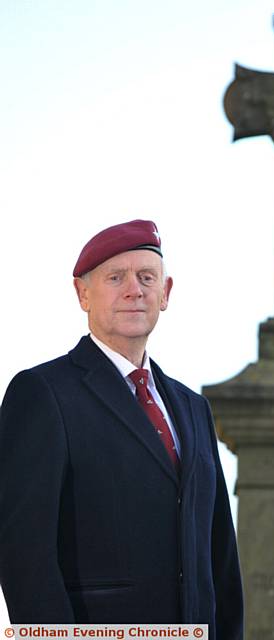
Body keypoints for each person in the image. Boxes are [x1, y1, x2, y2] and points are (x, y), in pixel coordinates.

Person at [0, 220, 243, 639]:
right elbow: (23, 554)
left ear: (165, 294)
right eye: (116, 277)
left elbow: (219, 555)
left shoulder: (193, 408)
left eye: (147, 278)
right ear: (83, 293)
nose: (135, 289)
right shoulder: (42, 394)